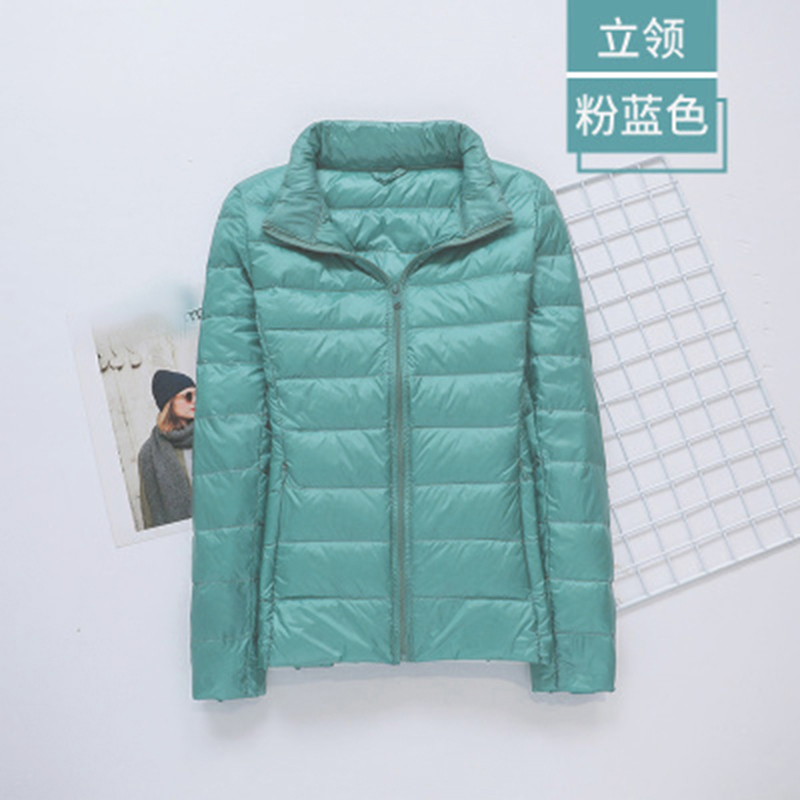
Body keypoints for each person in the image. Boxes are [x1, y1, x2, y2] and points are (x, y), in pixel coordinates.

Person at [137, 369, 195, 528]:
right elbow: (149, 511)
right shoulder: (149, 453)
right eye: (188, 396)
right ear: (170, 402)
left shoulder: (213, 435)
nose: (195, 401)